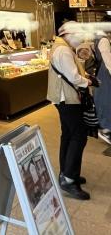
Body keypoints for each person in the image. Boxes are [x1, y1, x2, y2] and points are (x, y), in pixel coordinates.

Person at [47, 21, 91, 200]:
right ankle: (69, 179)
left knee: (68, 134)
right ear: (67, 34)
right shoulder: (64, 50)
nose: (80, 38)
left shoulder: (59, 46)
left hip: (62, 98)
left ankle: (66, 172)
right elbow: (73, 76)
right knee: (79, 135)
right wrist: (88, 81)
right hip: (67, 98)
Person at [93, 31, 111, 145]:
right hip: (105, 74)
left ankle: (106, 128)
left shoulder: (98, 38)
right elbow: (108, 61)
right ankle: (105, 129)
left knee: (105, 99)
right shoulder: (104, 40)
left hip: (102, 73)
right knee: (106, 100)